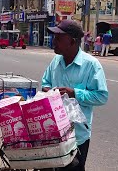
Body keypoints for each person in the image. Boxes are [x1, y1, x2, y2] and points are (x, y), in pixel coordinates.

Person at [42, 20, 109, 171]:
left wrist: (75, 93)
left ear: (72, 41)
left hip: (77, 137)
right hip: (52, 133)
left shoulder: (91, 65)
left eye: (59, 38)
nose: (54, 41)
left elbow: (101, 96)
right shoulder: (55, 61)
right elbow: (45, 81)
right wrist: (48, 91)